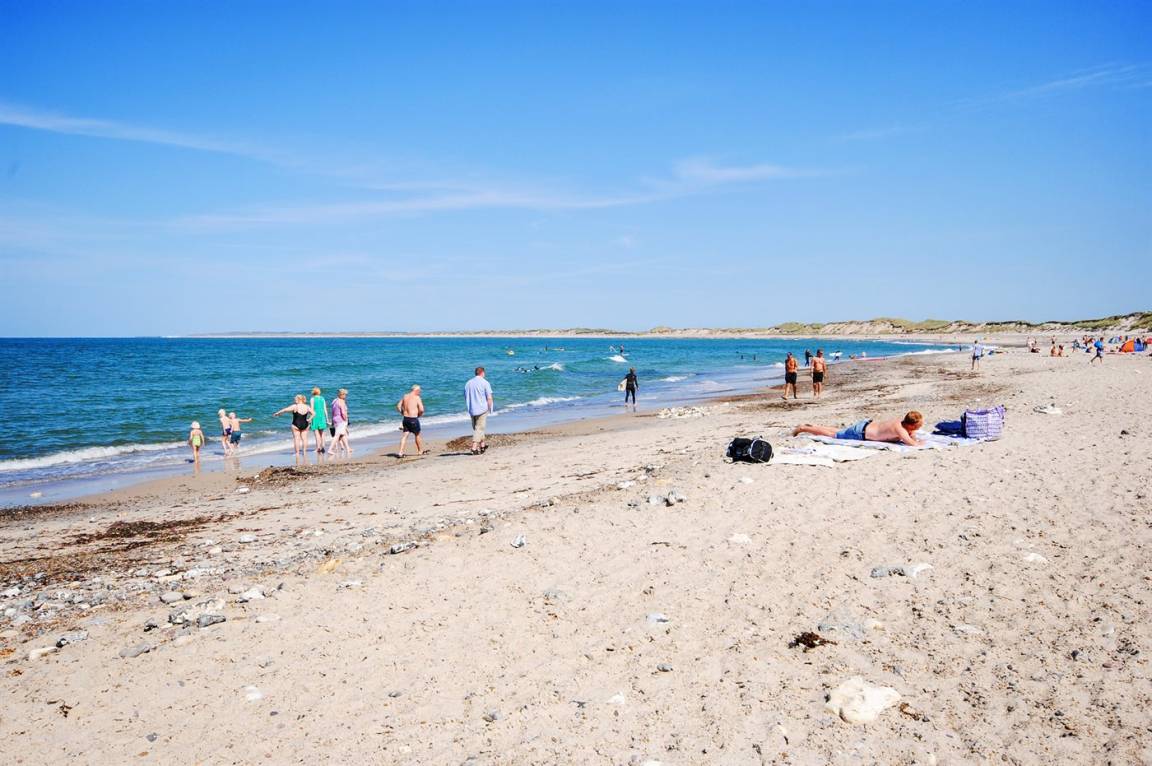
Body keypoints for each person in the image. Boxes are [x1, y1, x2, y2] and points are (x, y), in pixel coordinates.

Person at [792, 411, 925, 447]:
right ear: (911, 425)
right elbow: (912, 443)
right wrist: (919, 442)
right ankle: (804, 428)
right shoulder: (900, 430)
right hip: (860, 433)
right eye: (918, 426)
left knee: (838, 431)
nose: (919, 428)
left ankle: (812, 426)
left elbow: (911, 434)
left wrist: (913, 434)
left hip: (864, 425)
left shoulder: (900, 422)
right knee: (833, 435)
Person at [464, 366, 494, 455]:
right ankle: (474, 448)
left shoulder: (468, 383)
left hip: (472, 409)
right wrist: (490, 408)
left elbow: (465, 396)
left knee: (477, 428)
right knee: (479, 428)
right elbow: (489, 398)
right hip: (482, 409)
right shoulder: (485, 383)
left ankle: (482, 445)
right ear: (482, 373)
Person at [396, 385, 427, 457]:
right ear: (416, 390)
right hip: (413, 419)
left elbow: (398, 406)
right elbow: (422, 409)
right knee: (417, 435)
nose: (420, 392)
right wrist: (419, 415)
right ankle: (420, 451)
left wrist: (402, 413)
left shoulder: (405, 396)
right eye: (419, 391)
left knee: (405, 436)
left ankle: (400, 452)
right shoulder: (417, 397)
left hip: (405, 419)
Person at [329, 389, 352, 459]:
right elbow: (343, 413)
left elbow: (332, 412)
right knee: (337, 435)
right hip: (341, 420)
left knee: (343, 434)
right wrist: (346, 419)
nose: (346, 396)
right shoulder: (341, 402)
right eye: (345, 395)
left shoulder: (334, 401)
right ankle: (330, 449)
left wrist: (332, 421)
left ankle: (348, 448)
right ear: (342, 394)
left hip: (335, 419)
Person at [309, 387, 329, 454]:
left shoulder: (312, 399)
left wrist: (310, 418)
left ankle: (318, 448)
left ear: (313, 392)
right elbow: (325, 409)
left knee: (316, 433)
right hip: (322, 417)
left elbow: (311, 409)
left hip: (315, 417)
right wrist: (327, 419)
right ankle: (323, 447)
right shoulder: (322, 398)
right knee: (322, 433)